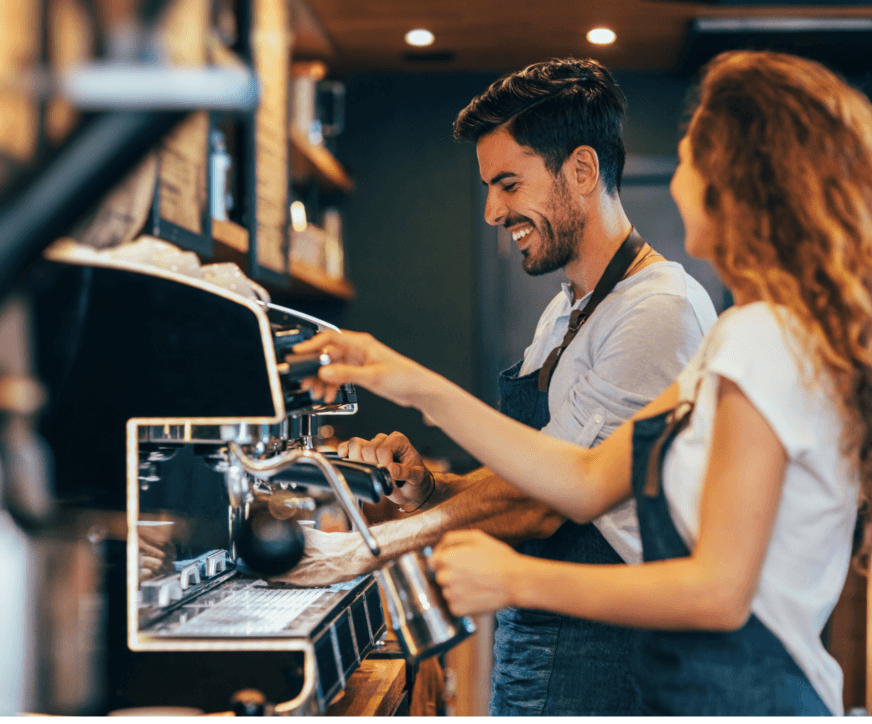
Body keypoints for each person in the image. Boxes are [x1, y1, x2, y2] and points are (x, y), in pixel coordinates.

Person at [293, 50, 872, 716]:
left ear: (741, 180)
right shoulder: (737, 338)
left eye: (690, 159)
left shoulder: (761, 341)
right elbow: (581, 478)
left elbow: (720, 592)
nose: (673, 180)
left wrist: (517, 577)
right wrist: (408, 384)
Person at [273, 58, 717, 716]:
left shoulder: (658, 311)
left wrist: (361, 549)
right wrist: (431, 489)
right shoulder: (568, 309)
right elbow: (541, 474)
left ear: (583, 171)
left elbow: (554, 504)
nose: (490, 210)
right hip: (545, 639)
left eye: (508, 184)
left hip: (607, 655)